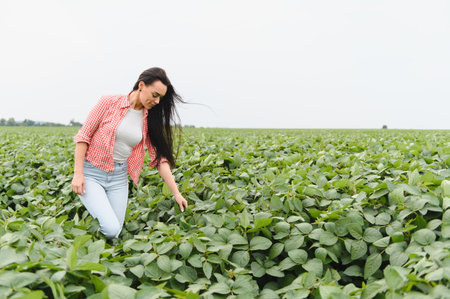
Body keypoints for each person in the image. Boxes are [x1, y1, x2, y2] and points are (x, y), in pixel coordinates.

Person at [71, 67, 188, 239]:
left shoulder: (149, 119)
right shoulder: (108, 102)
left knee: (115, 232)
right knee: (110, 229)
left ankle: (99, 246)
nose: (157, 101)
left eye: (160, 98)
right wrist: (78, 174)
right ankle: (80, 236)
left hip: (118, 178)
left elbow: (159, 159)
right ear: (141, 85)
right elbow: (84, 137)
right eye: (155, 95)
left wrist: (177, 193)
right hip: (92, 173)